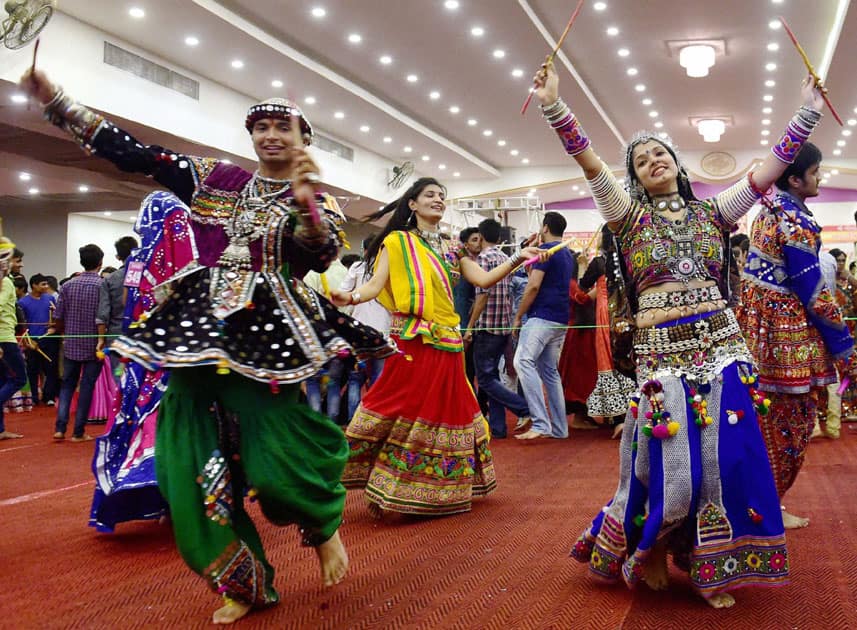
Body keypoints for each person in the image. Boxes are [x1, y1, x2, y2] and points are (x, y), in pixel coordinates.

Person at [20, 68, 395, 624]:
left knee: (275, 461)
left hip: (269, 330)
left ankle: (320, 525)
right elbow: (139, 155)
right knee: (185, 462)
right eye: (261, 126)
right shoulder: (214, 178)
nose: (270, 136)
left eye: (283, 128)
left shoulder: (319, 199)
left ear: (304, 141)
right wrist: (61, 104)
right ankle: (244, 582)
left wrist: (309, 204)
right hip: (197, 324)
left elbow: (316, 256)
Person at [531, 60, 826, 608]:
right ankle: (659, 548)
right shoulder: (627, 219)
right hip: (662, 355)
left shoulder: (714, 212)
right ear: (636, 178)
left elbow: (768, 171)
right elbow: (591, 164)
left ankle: (709, 561)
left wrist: (807, 111)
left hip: (721, 348)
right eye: (641, 161)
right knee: (671, 456)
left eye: (660, 153)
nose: (652, 161)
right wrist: (554, 105)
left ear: (676, 163)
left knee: (732, 451)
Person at [330, 177, 540, 516]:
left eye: (442, 196)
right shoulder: (398, 242)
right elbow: (374, 285)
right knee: (401, 405)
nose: (439, 200)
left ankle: (432, 491)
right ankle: (379, 480)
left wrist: (518, 257)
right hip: (414, 339)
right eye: (430, 195)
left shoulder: (449, 249)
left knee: (445, 410)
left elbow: (483, 280)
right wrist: (349, 297)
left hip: (448, 341)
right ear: (412, 204)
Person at [739, 143, 854, 529]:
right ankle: (767, 507)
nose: (820, 178)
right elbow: (814, 293)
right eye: (816, 172)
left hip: (760, 336)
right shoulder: (795, 221)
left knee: (765, 425)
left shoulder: (767, 213)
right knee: (790, 429)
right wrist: (845, 344)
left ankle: (762, 503)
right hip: (786, 342)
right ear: (794, 178)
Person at [513, 212, 576, 440]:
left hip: (541, 316)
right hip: (559, 318)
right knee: (549, 371)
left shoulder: (548, 252)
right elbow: (539, 279)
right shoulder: (567, 254)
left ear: (545, 227)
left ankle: (540, 423)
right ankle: (559, 428)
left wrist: (518, 316)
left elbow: (533, 286)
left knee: (522, 361)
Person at [466, 218, 529, 439]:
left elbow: (482, 295)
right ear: (501, 238)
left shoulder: (483, 258)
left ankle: (523, 408)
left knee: (485, 379)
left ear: (481, 237)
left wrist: (470, 326)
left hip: (487, 326)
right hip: (503, 324)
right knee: (492, 378)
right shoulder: (504, 258)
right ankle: (499, 428)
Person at [50, 244, 104, 442]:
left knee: (67, 386)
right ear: (100, 263)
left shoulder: (67, 285)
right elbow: (104, 316)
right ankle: (78, 432)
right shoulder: (102, 286)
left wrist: (64, 331)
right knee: (87, 387)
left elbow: (58, 316)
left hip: (71, 342)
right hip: (94, 344)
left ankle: (60, 428)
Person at [339, 236, 390, 419]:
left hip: (358, 329)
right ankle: (372, 420)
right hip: (383, 329)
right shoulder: (389, 269)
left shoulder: (356, 267)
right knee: (378, 378)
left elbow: (343, 290)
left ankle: (354, 420)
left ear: (365, 250)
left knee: (355, 378)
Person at [97, 235, 138, 383]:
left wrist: (100, 339)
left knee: (118, 374)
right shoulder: (146, 275)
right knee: (138, 375)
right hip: (141, 333)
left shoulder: (110, 279)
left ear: (118, 256)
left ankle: (118, 405)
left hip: (116, 336)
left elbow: (103, 314)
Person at [0, 238, 27, 440]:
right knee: (19, 379)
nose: (20, 264)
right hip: (4, 338)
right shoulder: (6, 283)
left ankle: (0, 429)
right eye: (17, 260)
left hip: (5, 336)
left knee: (3, 380)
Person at [18, 273, 59, 405]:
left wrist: (54, 325)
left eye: (47, 284)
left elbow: (58, 316)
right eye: (43, 284)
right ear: (34, 286)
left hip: (49, 337)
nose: (46, 286)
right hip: (32, 340)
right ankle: (34, 397)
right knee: (32, 370)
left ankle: (49, 397)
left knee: (51, 368)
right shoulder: (23, 302)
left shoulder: (50, 298)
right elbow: (21, 324)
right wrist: (27, 340)